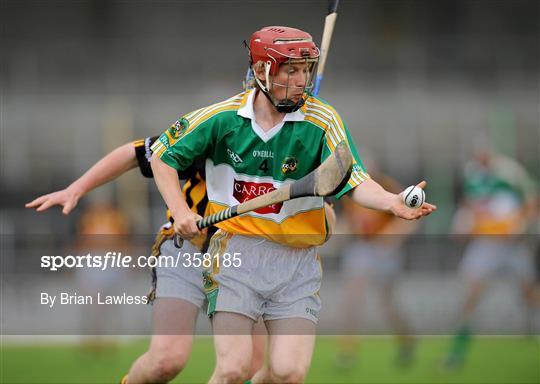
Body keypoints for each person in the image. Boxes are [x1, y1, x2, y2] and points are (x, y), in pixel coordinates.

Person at [150, 26, 436, 383]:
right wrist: (180, 211)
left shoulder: (322, 120)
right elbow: (162, 156)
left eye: (306, 70)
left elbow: (354, 179)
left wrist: (391, 202)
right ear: (261, 72)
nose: (302, 80)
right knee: (233, 369)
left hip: (296, 264)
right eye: (291, 70)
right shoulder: (221, 118)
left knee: (289, 373)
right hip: (235, 255)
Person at [26, 135, 267, 383]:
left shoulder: (302, 134)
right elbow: (136, 152)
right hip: (188, 251)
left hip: (243, 262)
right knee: (166, 361)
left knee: (248, 366)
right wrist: (75, 189)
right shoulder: (220, 127)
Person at [445, 147, 538, 368]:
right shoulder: (474, 176)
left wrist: (522, 223)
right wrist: (462, 223)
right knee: (470, 295)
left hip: (512, 246)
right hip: (485, 244)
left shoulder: (509, 173)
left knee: (530, 294)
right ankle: (458, 351)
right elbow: (470, 207)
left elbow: (532, 201)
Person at [337, 171, 418, 368]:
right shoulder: (348, 192)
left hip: (384, 250)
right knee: (352, 298)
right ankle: (348, 350)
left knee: (387, 304)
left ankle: (407, 340)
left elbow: (409, 217)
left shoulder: (386, 184)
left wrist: (391, 236)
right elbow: (351, 223)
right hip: (363, 248)